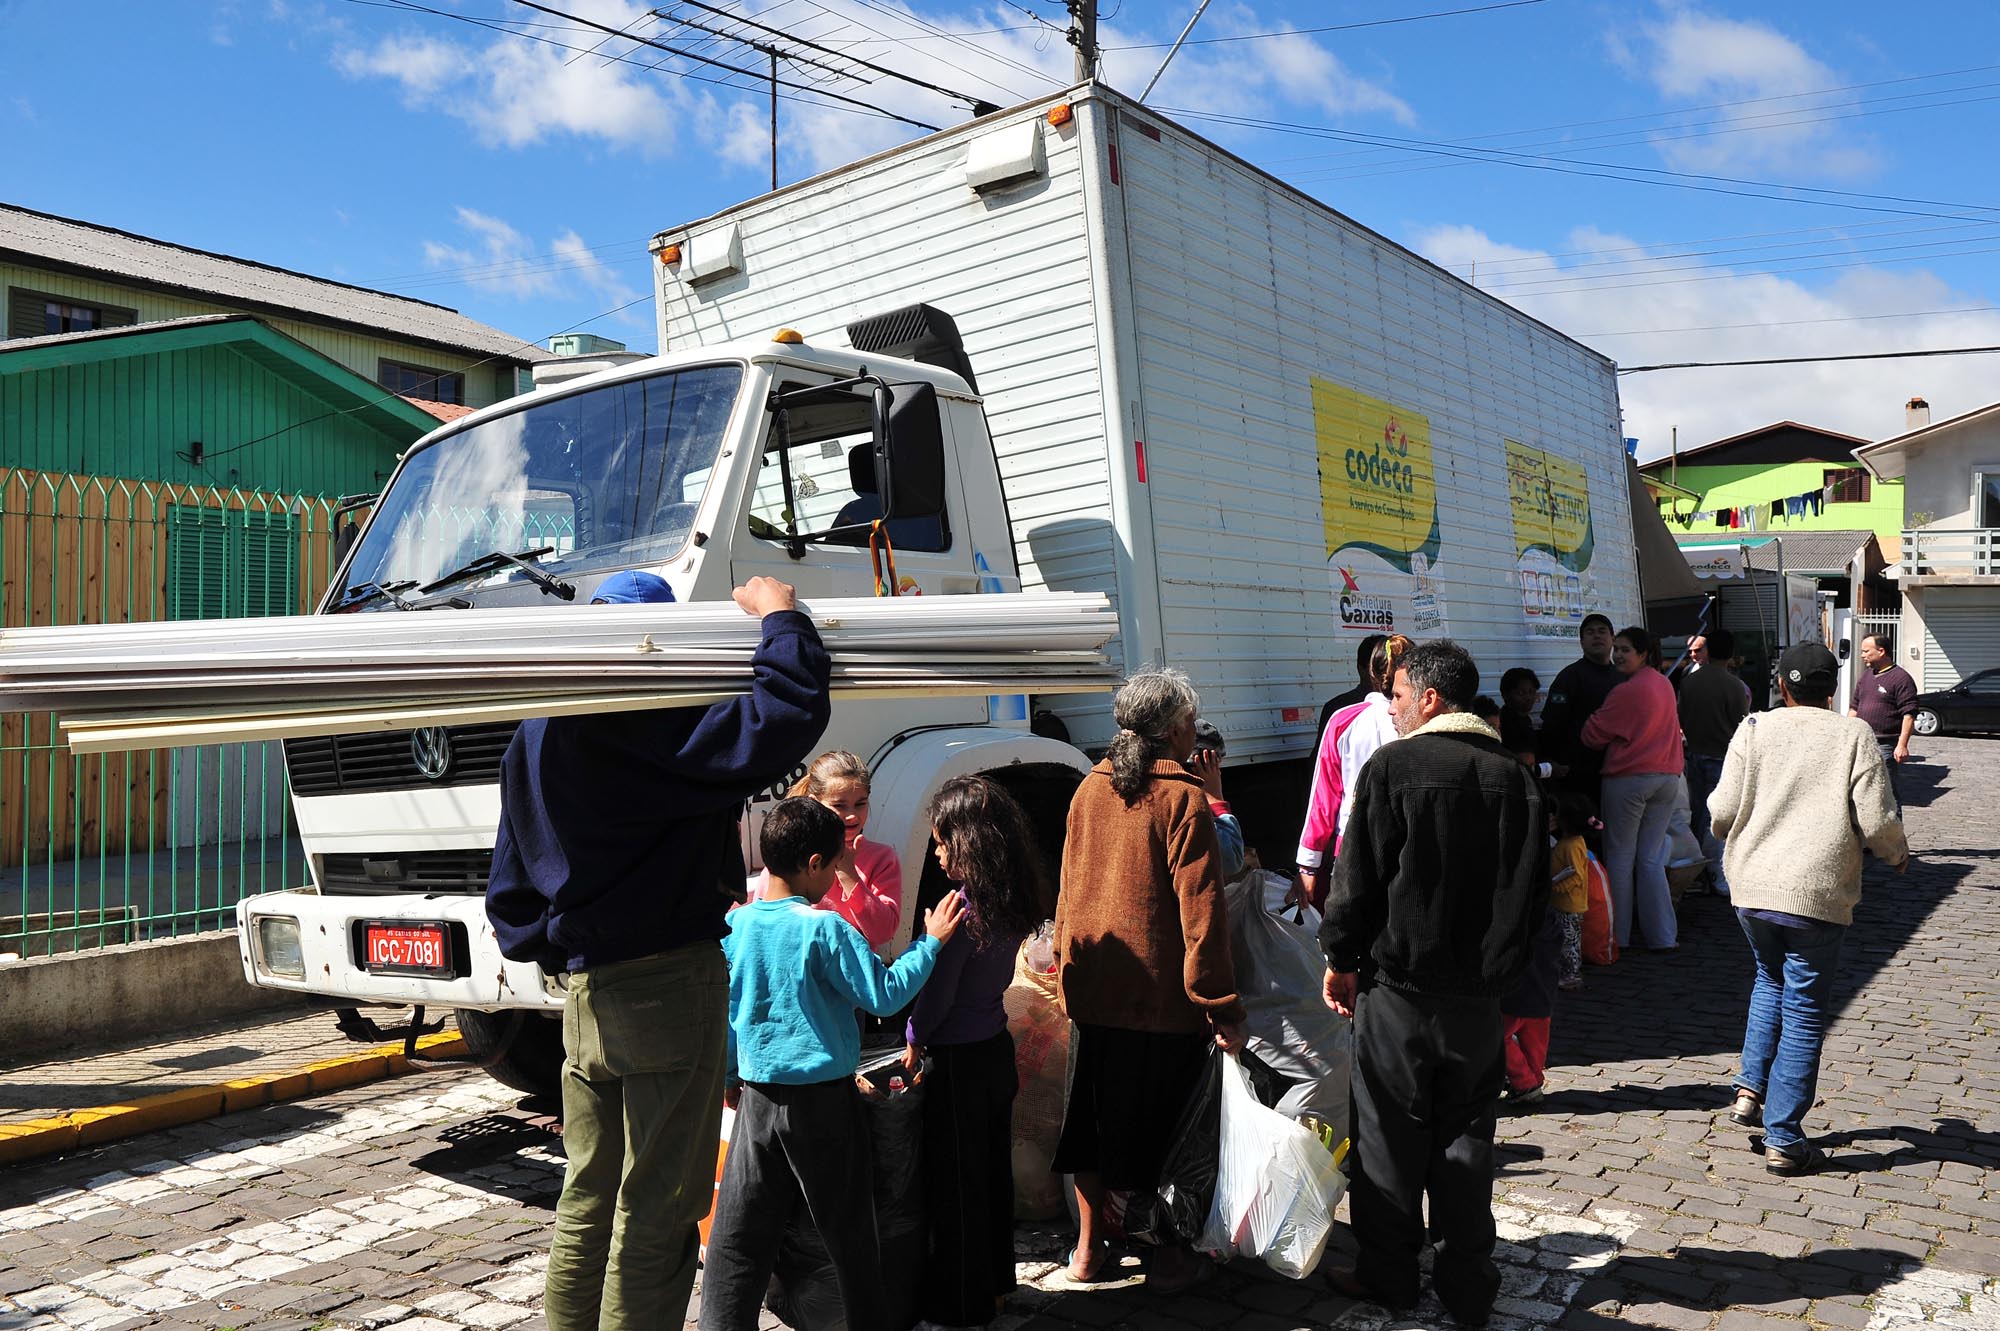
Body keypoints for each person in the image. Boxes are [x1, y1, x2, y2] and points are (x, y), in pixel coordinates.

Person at [485, 572, 831, 1331]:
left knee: (587, 1197)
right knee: (660, 1206)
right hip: (669, 982)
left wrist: (572, 948)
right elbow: (787, 711)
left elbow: (508, 896)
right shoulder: (649, 715)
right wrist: (781, 619)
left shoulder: (535, 729)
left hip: (586, 996)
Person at [1319, 641, 1549, 1324]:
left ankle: (1389, 1275)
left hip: (1399, 990)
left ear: (1429, 698)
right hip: (1478, 999)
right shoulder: (1517, 776)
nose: (1389, 709)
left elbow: (1355, 879)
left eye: (1395, 695)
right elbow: (1535, 895)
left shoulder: (1396, 766)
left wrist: (1341, 956)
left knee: (1389, 1139)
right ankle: (1468, 1285)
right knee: (1466, 1140)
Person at [700, 798, 966, 1331]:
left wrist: (730, 1079)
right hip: (823, 1106)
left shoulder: (737, 926)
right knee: (850, 1239)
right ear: (815, 862)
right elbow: (886, 994)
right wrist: (930, 943)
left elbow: (726, 1016)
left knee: (739, 1240)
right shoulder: (825, 929)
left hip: (756, 1100)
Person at [1052, 667, 1245, 1294]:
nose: (1195, 733)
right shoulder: (1184, 798)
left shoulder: (1089, 789)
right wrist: (1219, 1003)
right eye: (1190, 722)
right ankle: (1166, 1258)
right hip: (1159, 1002)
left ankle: (1087, 1250)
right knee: (1166, 1133)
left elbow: (1068, 894)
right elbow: (1202, 915)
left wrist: (1064, 977)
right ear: (1172, 729)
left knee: (1092, 1124)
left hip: (1093, 992)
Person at [1710, 643, 1909, 1175]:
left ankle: (1749, 1092)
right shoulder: (1853, 735)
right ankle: (1784, 1137)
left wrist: (1736, 841)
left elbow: (1722, 810)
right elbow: (1878, 821)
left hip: (1752, 889)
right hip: (1815, 894)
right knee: (1802, 1009)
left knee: (1768, 981)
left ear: (1781, 685)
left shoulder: (1754, 728)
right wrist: (1897, 855)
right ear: (1833, 689)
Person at [902, 777, 1046, 1328]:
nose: (937, 853)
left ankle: (963, 1303)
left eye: (943, 842)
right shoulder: (1011, 894)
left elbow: (937, 999)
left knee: (957, 1186)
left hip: (957, 1061)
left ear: (970, 842)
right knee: (989, 1176)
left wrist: (913, 1040)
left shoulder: (959, 912)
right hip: (993, 1050)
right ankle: (996, 1285)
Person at [1582, 625, 1685, 951]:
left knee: (1621, 858)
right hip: (1667, 777)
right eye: (1619, 649)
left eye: (1626, 649)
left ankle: (1618, 935)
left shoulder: (1625, 691)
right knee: (1651, 859)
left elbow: (1591, 735)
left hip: (1628, 779)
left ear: (1643, 654)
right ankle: (1663, 936)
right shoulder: (1663, 684)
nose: (1619, 655)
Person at [1296, 634, 1412, 908]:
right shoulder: (1419, 719)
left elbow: (1322, 800)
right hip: (1407, 845)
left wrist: (1307, 867)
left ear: (1370, 671)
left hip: (1350, 847)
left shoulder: (1342, 719)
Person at [752, 750, 903, 947]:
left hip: (851, 974)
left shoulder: (882, 859)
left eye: (860, 804)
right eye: (840, 805)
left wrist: (850, 876)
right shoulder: (791, 853)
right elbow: (765, 915)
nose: (852, 816)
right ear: (815, 802)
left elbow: (883, 932)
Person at [1678, 627, 1749, 895]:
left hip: (1693, 753)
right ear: (1731, 653)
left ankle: (1695, 872)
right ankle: (1717, 874)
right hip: (1723, 756)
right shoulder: (1734, 685)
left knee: (1696, 814)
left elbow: (1681, 716)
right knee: (1718, 818)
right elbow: (1741, 725)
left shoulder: (1689, 681)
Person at [1537, 614, 1621, 803]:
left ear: (1613, 639)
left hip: (1618, 771)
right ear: (1581, 642)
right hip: (1579, 775)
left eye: (1602, 631)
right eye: (1590, 632)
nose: (1596, 636)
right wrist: (1553, 761)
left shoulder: (1623, 677)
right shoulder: (1569, 677)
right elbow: (1552, 725)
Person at [1848, 632, 1917, 806]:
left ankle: (1894, 830)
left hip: (1884, 745)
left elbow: (1908, 715)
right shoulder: (1866, 676)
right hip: (1862, 741)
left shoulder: (1901, 679)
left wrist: (1902, 745)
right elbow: (1854, 708)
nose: (1862, 655)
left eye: (1866, 651)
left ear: (1881, 651)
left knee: (1887, 794)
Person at [1549, 791, 1598, 992]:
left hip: (1567, 903)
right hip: (1570, 903)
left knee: (1567, 942)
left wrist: (1555, 887)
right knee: (1570, 939)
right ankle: (1570, 972)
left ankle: (1570, 975)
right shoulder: (1574, 842)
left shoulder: (1569, 845)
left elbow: (1575, 876)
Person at [1190, 717, 1244, 879]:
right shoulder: (1189, 801)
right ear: (1204, 763)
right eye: (1217, 763)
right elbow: (1231, 861)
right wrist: (1215, 799)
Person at [1318, 632, 1388, 740]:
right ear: (1362, 669)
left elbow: (1322, 755)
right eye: (1380, 668)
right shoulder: (1337, 709)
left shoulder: (1336, 708)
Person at [1497, 667, 1542, 768]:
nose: (1528, 698)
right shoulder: (1505, 723)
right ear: (1506, 695)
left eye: (1532, 692)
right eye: (1521, 693)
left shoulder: (1525, 719)